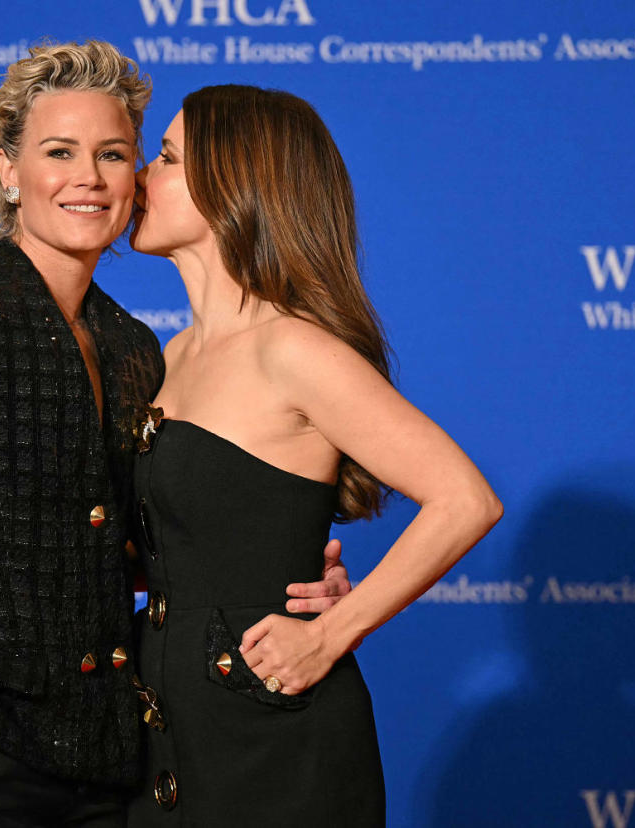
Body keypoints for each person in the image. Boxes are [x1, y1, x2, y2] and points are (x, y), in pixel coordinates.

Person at [0, 46, 349, 828]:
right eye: (59, 152)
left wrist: (275, 573)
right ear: (6, 171)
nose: (88, 177)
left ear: (135, 179)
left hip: (110, 767)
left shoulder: (133, 346)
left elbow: (124, 544)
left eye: (114, 154)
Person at [126, 85, 504, 825]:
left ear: (234, 186)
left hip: (274, 740)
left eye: (166, 158)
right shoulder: (171, 354)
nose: (140, 176)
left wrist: (333, 631)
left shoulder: (293, 349)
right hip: (165, 730)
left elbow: (465, 499)